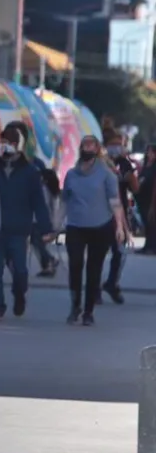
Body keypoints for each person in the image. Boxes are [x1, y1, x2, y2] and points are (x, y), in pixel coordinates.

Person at [0, 124, 54, 321]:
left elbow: (38, 202)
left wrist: (46, 228)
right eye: (2, 142)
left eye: (8, 143)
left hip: (19, 230)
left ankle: (19, 294)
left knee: (20, 271)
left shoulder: (30, 172)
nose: (4, 146)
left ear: (16, 145)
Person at [62, 135, 129, 326]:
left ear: (97, 148)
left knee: (93, 269)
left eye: (91, 145)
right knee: (75, 265)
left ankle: (88, 311)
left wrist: (119, 228)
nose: (87, 148)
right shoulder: (72, 174)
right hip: (75, 226)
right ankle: (75, 306)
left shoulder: (106, 173)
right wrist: (55, 225)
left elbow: (115, 202)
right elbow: (64, 202)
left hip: (100, 226)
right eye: (84, 145)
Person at [7, 121, 59, 277]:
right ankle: (48, 261)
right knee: (34, 239)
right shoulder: (30, 161)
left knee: (35, 238)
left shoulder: (34, 163)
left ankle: (48, 261)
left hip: (31, 209)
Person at [101, 131, 137, 304]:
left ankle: (111, 282)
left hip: (119, 215)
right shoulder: (99, 163)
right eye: (113, 144)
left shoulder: (124, 164)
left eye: (119, 144)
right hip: (100, 213)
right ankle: (94, 288)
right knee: (98, 252)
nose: (116, 148)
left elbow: (135, 187)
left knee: (119, 252)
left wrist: (129, 176)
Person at [136, 144, 156, 255]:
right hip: (143, 198)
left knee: (152, 223)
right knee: (146, 222)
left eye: (151, 152)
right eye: (148, 152)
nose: (149, 154)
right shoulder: (145, 165)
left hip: (152, 198)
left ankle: (152, 247)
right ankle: (147, 246)